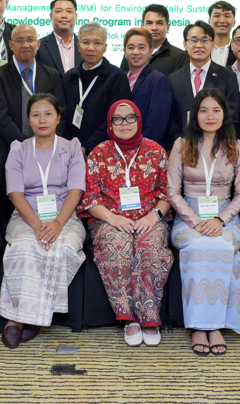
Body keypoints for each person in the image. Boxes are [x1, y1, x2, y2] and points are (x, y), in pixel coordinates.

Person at [80, 100, 173, 347]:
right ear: (110, 124)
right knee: (118, 245)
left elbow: (168, 193)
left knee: (150, 247)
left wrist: (154, 216)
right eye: (118, 119)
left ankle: (149, 317)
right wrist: (113, 219)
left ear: (138, 120)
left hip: (149, 218)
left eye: (130, 117)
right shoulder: (98, 153)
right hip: (108, 219)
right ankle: (129, 318)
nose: (124, 123)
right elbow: (89, 197)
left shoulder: (157, 151)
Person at [0, 94, 86, 348]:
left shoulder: (72, 148)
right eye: (36, 115)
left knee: (62, 247)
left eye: (48, 114)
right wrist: (37, 225)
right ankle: (18, 319)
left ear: (58, 118)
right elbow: (15, 194)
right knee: (25, 246)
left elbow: (76, 191)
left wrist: (57, 224)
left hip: (65, 217)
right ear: (29, 120)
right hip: (27, 217)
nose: (42, 120)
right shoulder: (18, 150)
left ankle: (30, 315)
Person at [167, 89, 240, 356]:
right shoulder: (182, 145)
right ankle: (200, 327)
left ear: (224, 114)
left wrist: (221, 219)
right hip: (188, 216)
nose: (210, 116)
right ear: (195, 115)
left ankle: (214, 326)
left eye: (216, 110)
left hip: (226, 216)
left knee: (224, 246)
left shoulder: (236, 146)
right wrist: (195, 221)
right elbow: (172, 191)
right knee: (197, 247)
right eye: (204, 110)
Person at [0, 23, 66, 161]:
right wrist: (25, 145)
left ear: (38, 44)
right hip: (10, 150)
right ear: (11, 45)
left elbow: (61, 113)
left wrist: (46, 143)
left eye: (30, 40)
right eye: (19, 40)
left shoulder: (52, 75)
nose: (25, 45)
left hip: (48, 150)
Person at [62, 22, 132, 155]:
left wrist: (88, 147)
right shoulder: (70, 77)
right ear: (78, 46)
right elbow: (63, 115)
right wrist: (69, 146)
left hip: (104, 151)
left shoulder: (117, 77)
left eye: (97, 43)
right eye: (86, 42)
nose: (91, 48)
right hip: (69, 151)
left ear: (105, 47)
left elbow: (116, 119)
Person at [168, 21, 240, 141]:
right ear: (185, 45)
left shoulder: (227, 77)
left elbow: (232, 116)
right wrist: (180, 142)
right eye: (194, 40)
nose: (199, 45)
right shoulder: (173, 79)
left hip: (217, 144)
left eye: (204, 40)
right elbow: (171, 117)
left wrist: (216, 143)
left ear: (212, 44)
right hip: (184, 144)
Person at [123, 27, 173, 150]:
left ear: (150, 51)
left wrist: (138, 150)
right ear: (124, 51)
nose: (135, 52)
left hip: (146, 151)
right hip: (121, 148)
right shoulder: (120, 79)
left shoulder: (158, 80)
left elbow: (156, 124)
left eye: (141, 48)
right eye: (131, 48)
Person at [119, 4, 189, 76]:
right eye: (149, 23)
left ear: (167, 28)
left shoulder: (180, 57)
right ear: (142, 27)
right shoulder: (132, 53)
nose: (154, 28)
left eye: (159, 23)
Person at [36, 0, 81, 76]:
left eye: (69, 11)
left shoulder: (84, 46)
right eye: (58, 11)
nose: (64, 15)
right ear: (51, 16)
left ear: (76, 16)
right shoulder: (39, 46)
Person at [208, 0, 237, 66]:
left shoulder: (239, 49)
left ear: (234, 22)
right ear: (209, 22)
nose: (222, 20)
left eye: (227, 16)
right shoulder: (201, 48)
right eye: (217, 16)